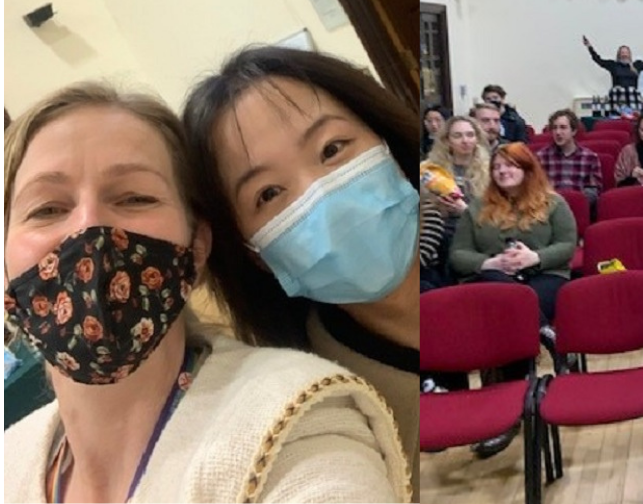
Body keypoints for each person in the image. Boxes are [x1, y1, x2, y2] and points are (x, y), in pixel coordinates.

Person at [5, 83, 407, 502]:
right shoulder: (11, 460)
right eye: (47, 209)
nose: (87, 229)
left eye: (135, 197)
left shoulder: (296, 424)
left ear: (196, 247)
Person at [182, 46, 423, 496]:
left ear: (385, 141)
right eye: (269, 193)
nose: (319, 195)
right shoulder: (315, 410)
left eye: (332, 149)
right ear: (253, 252)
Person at [446, 142, 575, 459]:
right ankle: (545, 335)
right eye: (497, 167)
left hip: (544, 277)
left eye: (511, 166)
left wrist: (535, 257)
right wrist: (488, 263)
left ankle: (506, 417)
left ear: (527, 168)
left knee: (514, 317)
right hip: (495, 281)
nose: (503, 171)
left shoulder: (554, 204)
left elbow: (568, 246)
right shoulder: (477, 207)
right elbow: (458, 254)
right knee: (506, 304)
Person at [535, 109, 603, 207]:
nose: (558, 132)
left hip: (579, 208)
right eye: (554, 128)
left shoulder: (590, 157)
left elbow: (594, 191)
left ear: (573, 131)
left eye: (563, 128)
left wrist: (574, 201)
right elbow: (535, 189)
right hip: (550, 209)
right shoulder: (541, 157)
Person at [583, 35, 643, 116]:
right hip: (617, 97)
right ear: (618, 54)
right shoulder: (613, 65)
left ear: (629, 54)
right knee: (616, 117)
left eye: (626, 52)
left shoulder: (637, 65)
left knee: (634, 117)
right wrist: (589, 47)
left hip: (633, 96)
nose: (624, 54)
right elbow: (598, 60)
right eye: (622, 52)